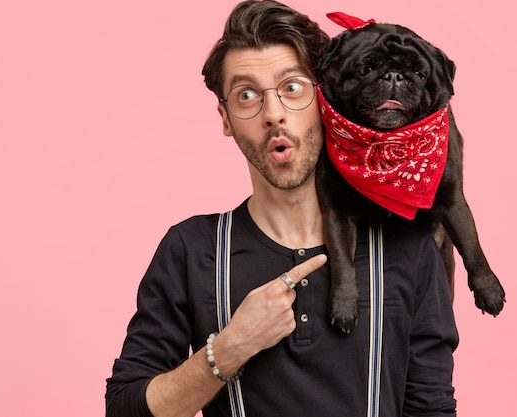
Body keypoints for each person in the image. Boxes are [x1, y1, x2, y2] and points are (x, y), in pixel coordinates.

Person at [105, 1, 458, 416]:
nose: (272, 114)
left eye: (292, 88)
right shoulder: (190, 249)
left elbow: (431, 408)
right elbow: (125, 408)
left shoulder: (408, 244)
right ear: (225, 117)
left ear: (327, 96)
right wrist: (229, 349)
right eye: (247, 95)